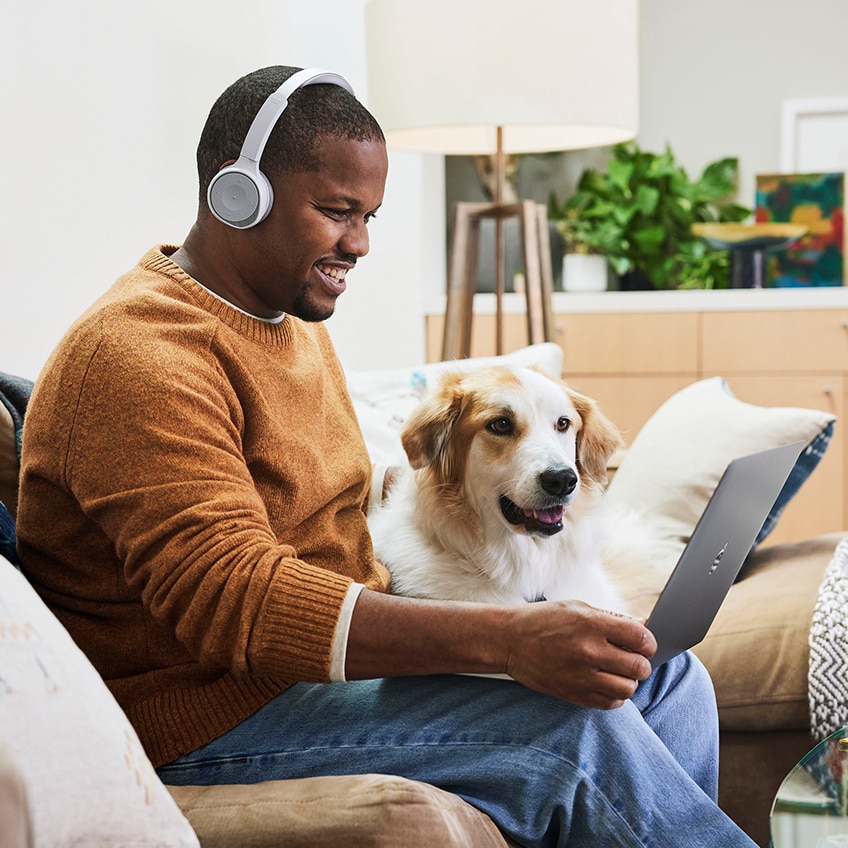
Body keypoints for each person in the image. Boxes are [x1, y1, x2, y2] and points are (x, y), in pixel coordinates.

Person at [15, 65, 757, 848]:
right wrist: (508, 642)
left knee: (668, 678)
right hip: (214, 718)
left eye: (368, 215)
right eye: (338, 212)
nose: (360, 244)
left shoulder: (288, 324)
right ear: (239, 194)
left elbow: (315, 503)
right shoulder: (138, 356)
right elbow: (235, 596)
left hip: (322, 682)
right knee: (573, 735)